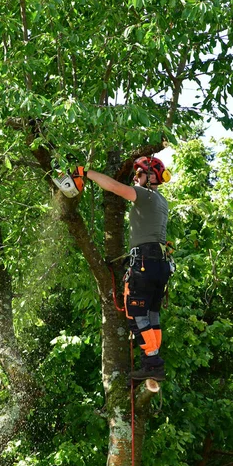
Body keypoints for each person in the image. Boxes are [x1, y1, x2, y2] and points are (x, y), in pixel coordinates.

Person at [74, 156, 172, 381]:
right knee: (152, 315)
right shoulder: (161, 200)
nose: (135, 177)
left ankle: (152, 362)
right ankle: (153, 359)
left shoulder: (146, 195)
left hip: (145, 263)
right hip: (159, 264)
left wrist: (85, 172)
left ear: (151, 177)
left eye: (139, 174)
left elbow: (114, 187)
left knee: (136, 314)